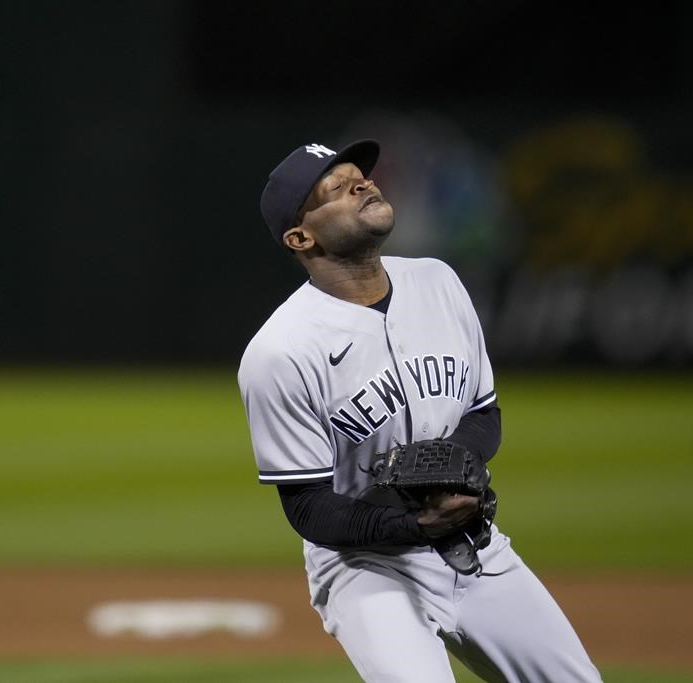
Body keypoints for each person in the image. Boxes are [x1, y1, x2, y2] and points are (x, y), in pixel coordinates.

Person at [238, 140, 601, 682]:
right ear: (301, 236)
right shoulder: (280, 351)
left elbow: (484, 412)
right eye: (336, 188)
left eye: (360, 175)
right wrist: (414, 523)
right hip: (366, 567)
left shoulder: (438, 280)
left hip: (475, 545)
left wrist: (456, 465)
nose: (362, 183)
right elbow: (309, 507)